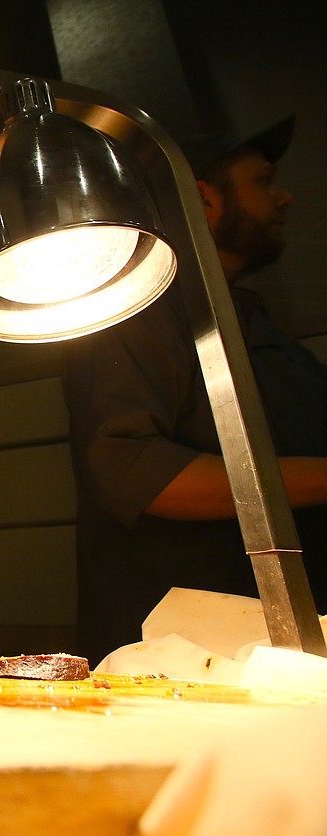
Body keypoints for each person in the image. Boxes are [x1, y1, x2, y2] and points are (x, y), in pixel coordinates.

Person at [63, 114, 327, 665]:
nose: (286, 198)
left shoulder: (263, 332)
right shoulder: (136, 309)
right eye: (263, 181)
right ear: (205, 197)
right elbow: (134, 472)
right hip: (179, 663)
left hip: (288, 655)